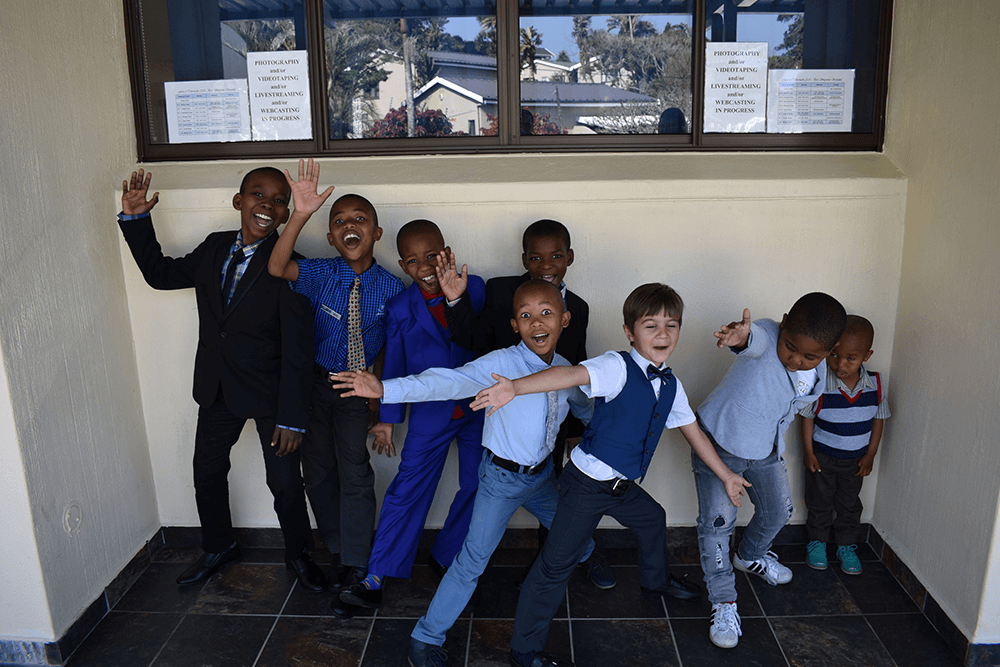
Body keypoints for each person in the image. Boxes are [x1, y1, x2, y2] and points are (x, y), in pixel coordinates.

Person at [471, 283, 750, 667]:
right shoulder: (616, 366)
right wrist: (515, 388)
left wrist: (726, 475)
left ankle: (655, 582)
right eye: (651, 326)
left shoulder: (670, 384)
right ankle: (524, 651)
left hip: (621, 487)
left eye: (672, 325)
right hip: (585, 487)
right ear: (629, 331)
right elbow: (568, 376)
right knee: (554, 567)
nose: (663, 334)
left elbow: (694, 433)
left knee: (654, 518)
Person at [331, 280, 597, 667]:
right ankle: (424, 639)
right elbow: (445, 380)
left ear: (565, 319)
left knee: (573, 527)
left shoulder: (564, 371)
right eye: (526, 315)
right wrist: (384, 389)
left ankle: (589, 554)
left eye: (546, 312)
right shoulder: (500, 364)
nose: (537, 322)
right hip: (501, 482)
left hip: (541, 479)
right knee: (472, 561)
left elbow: (586, 409)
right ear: (514, 325)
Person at [117, 167, 324, 591]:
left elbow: (300, 352)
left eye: (278, 200)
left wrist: (292, 418)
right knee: (206, 471)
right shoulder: (214, 248)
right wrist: (137, 220)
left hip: (272, 397)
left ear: (286, 214)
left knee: (284, 482)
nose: (266, 204)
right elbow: (161, 275)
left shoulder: (293, 269)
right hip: (217, 388)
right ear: (238, 200)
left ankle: (299, 555)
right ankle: (218, 546)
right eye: (257, 194)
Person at [268, 159, 404, 609]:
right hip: (314, 385)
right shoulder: (321, 273)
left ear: (377, 233)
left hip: (356, 389)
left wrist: (376, 391)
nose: (350, 226)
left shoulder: (391, 287)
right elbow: (276, 266)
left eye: (360, 220)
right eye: (339, 221)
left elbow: (393, 346)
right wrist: (301, 213)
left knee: (356, 471)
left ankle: (359, 559)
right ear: (329, 237)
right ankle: (337, 548)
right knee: (318, 469)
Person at [336, 220, 486, 616]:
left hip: (477, 408)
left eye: (433, 256)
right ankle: (377, 574)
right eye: (415, 261)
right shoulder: (400, 308)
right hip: (431, 412)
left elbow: (480, 338)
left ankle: (447, 554)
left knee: (479, 484)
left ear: (447, 252)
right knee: (408, 488)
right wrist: (387, 419)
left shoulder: (476, 287)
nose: (426, 267)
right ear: (403, 265)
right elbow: (396, 363)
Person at [693, 292, 847, 649]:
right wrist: (739, 337)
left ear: (829, 350)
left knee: (780, 511)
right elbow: (752, 339)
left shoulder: (819, 372)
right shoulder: (766, 335)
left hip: (764, 449)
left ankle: (749, 556)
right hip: (718, 444)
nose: (795, 359)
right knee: (717, 526)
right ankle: (724, 600)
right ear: (784, 321)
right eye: (791, 346)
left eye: (810, 356)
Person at [474, 220, 614, 589]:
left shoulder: (578, 307)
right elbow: (476, 342)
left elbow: (578, 369)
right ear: (524, 259)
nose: (546, 265)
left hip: (555, 417)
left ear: (570, 257)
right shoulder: (501, 290)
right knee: (499, 499)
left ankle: (555, 561)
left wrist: (575, 431)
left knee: (553, 496)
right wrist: (457, 301)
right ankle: (473, 565)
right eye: (536, 258)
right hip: (508, 411)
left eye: (556, 256)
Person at [799, 315, 890, 575]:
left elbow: (879, 420)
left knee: (850, 504)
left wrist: (871, 454)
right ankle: (817, 543)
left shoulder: (876, 385)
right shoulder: (819, 382)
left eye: (851, 358)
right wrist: (808, 452)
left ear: (867, 355)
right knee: (819, 501)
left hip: (855, 460)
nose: (841, 364)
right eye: (835, 355)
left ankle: (846, 546)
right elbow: (807, 417)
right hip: (823, 457)